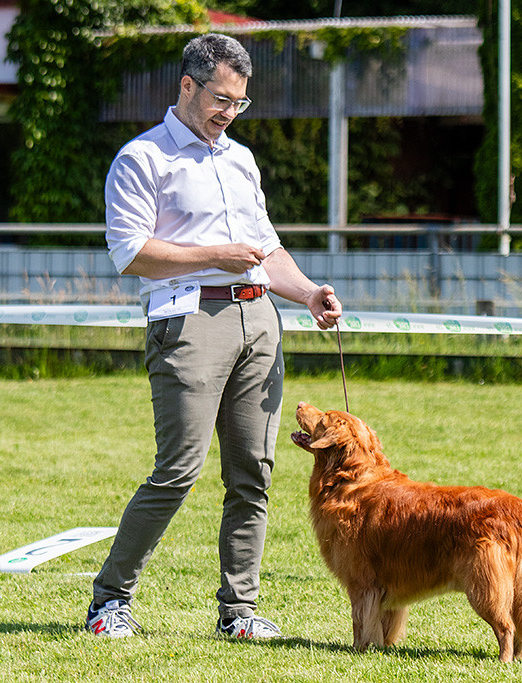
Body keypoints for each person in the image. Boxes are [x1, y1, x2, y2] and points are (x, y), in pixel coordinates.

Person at [87, 33, 343, 638]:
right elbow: (130, 253)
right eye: (221, 99)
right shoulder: (141, 159)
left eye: (239, 102)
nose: (229, 111)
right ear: (188, 85)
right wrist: (214, 256)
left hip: (260, 320)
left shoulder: (241, 160)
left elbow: (266, 249)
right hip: (188, 322)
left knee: (253, 472)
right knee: (178, 469)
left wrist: (308, 293)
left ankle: (240, 611)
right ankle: (109, 602)